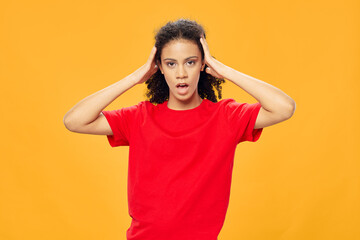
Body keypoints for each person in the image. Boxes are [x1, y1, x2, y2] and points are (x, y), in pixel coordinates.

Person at [63, 18, 296, 240]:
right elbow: (75, 121)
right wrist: (136, 77)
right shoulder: (140, 118)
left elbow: (283, 108)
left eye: (191, 62)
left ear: (203, 64)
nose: (181, 73)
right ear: (159, 67)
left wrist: (223, 69)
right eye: (171, 64)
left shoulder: (225, 117)